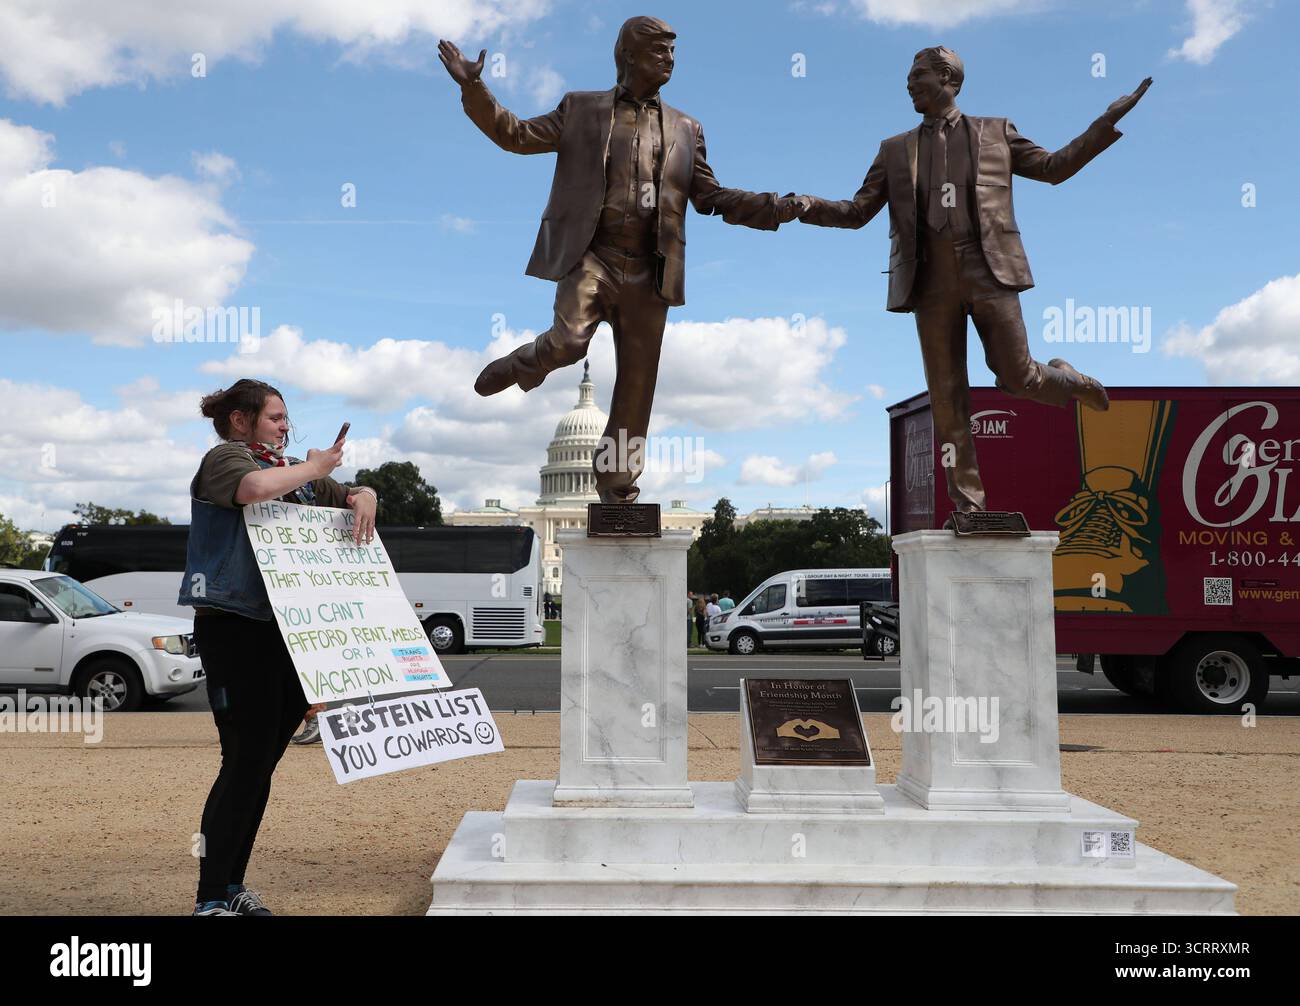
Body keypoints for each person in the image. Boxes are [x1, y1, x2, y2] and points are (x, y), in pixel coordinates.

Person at [438, 18, 805, 503]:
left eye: (673, 51)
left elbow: (711, 196)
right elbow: (516, 134)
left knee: (637, 382)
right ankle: (523, 363)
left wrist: (771, 207)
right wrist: (474, 86)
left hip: (650, 270)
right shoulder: (581, 109)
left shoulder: (686, 129)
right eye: (659, 50)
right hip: (593, 257)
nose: (669, 59)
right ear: (628, 55)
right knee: (568, 342)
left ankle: (616, 480)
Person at [796, 46, 1151, 513]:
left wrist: (1103, 124)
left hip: (990, 273)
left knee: (1017, 377)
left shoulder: (995, 133)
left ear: (949, 79)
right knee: (947, 398)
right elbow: (858, 211)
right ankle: (969, 507)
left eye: (917, 74)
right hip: (930, 283)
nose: (908, 83)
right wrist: (805, 206)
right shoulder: (894, 150)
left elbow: (1053, 169)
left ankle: (1067, 381)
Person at [179, 378, 378, 916]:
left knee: (260, 764)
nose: (286, 426)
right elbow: (252, 489)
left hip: (286, 633)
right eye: (275, 417)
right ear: (241, 421)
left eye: (286, 418)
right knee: (243, 760)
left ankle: (231, 888)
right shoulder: (224, 459)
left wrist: (367, 497)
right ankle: (210, 898)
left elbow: (350, 493)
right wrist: (316, 467)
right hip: (234, 627)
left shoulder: (295, 477)